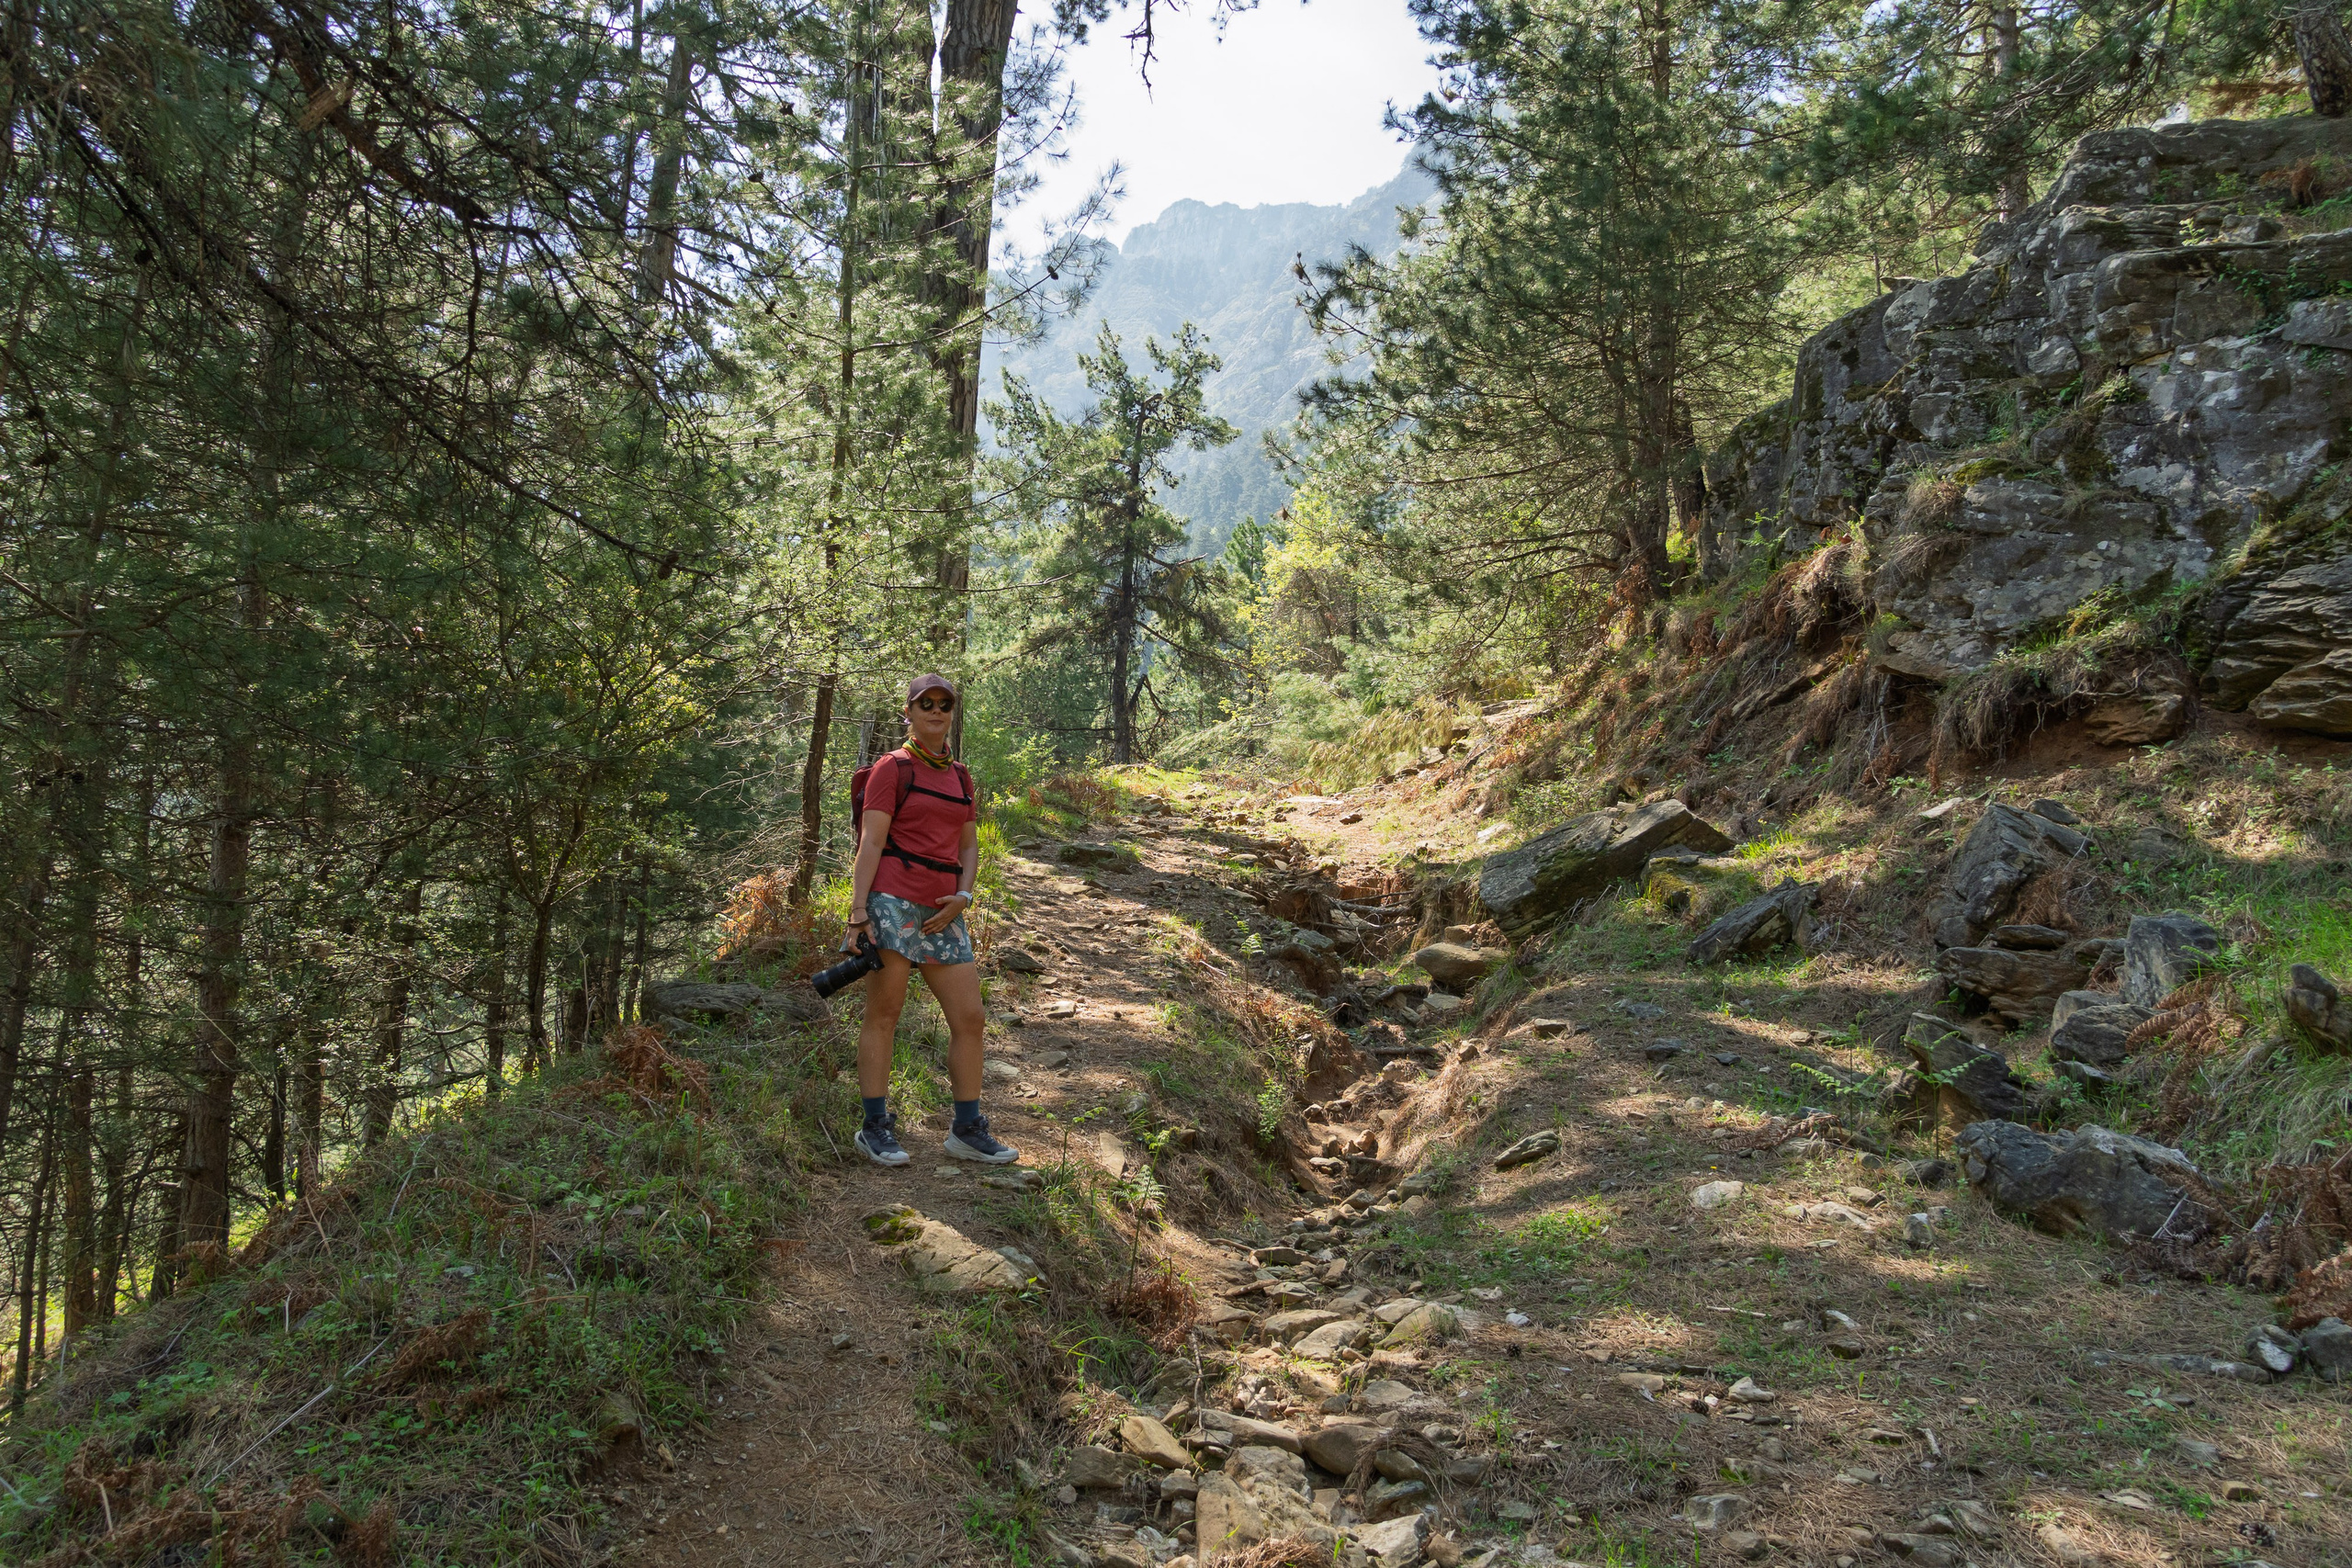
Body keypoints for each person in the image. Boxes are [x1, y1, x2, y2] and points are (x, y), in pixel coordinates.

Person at [842, 673, 1020, 1168]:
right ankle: (874, 1127)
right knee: (885, 1014)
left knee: (970, 1018)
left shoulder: (961, 777)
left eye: (944, 705)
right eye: (926, 704)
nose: (937, 712)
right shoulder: (891, 769)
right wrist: (859, 915)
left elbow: (967, 845)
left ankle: (966, 1129)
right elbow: (871, 843)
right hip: (892, 903)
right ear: (910, 713)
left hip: (944, 912)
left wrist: (963, 896)